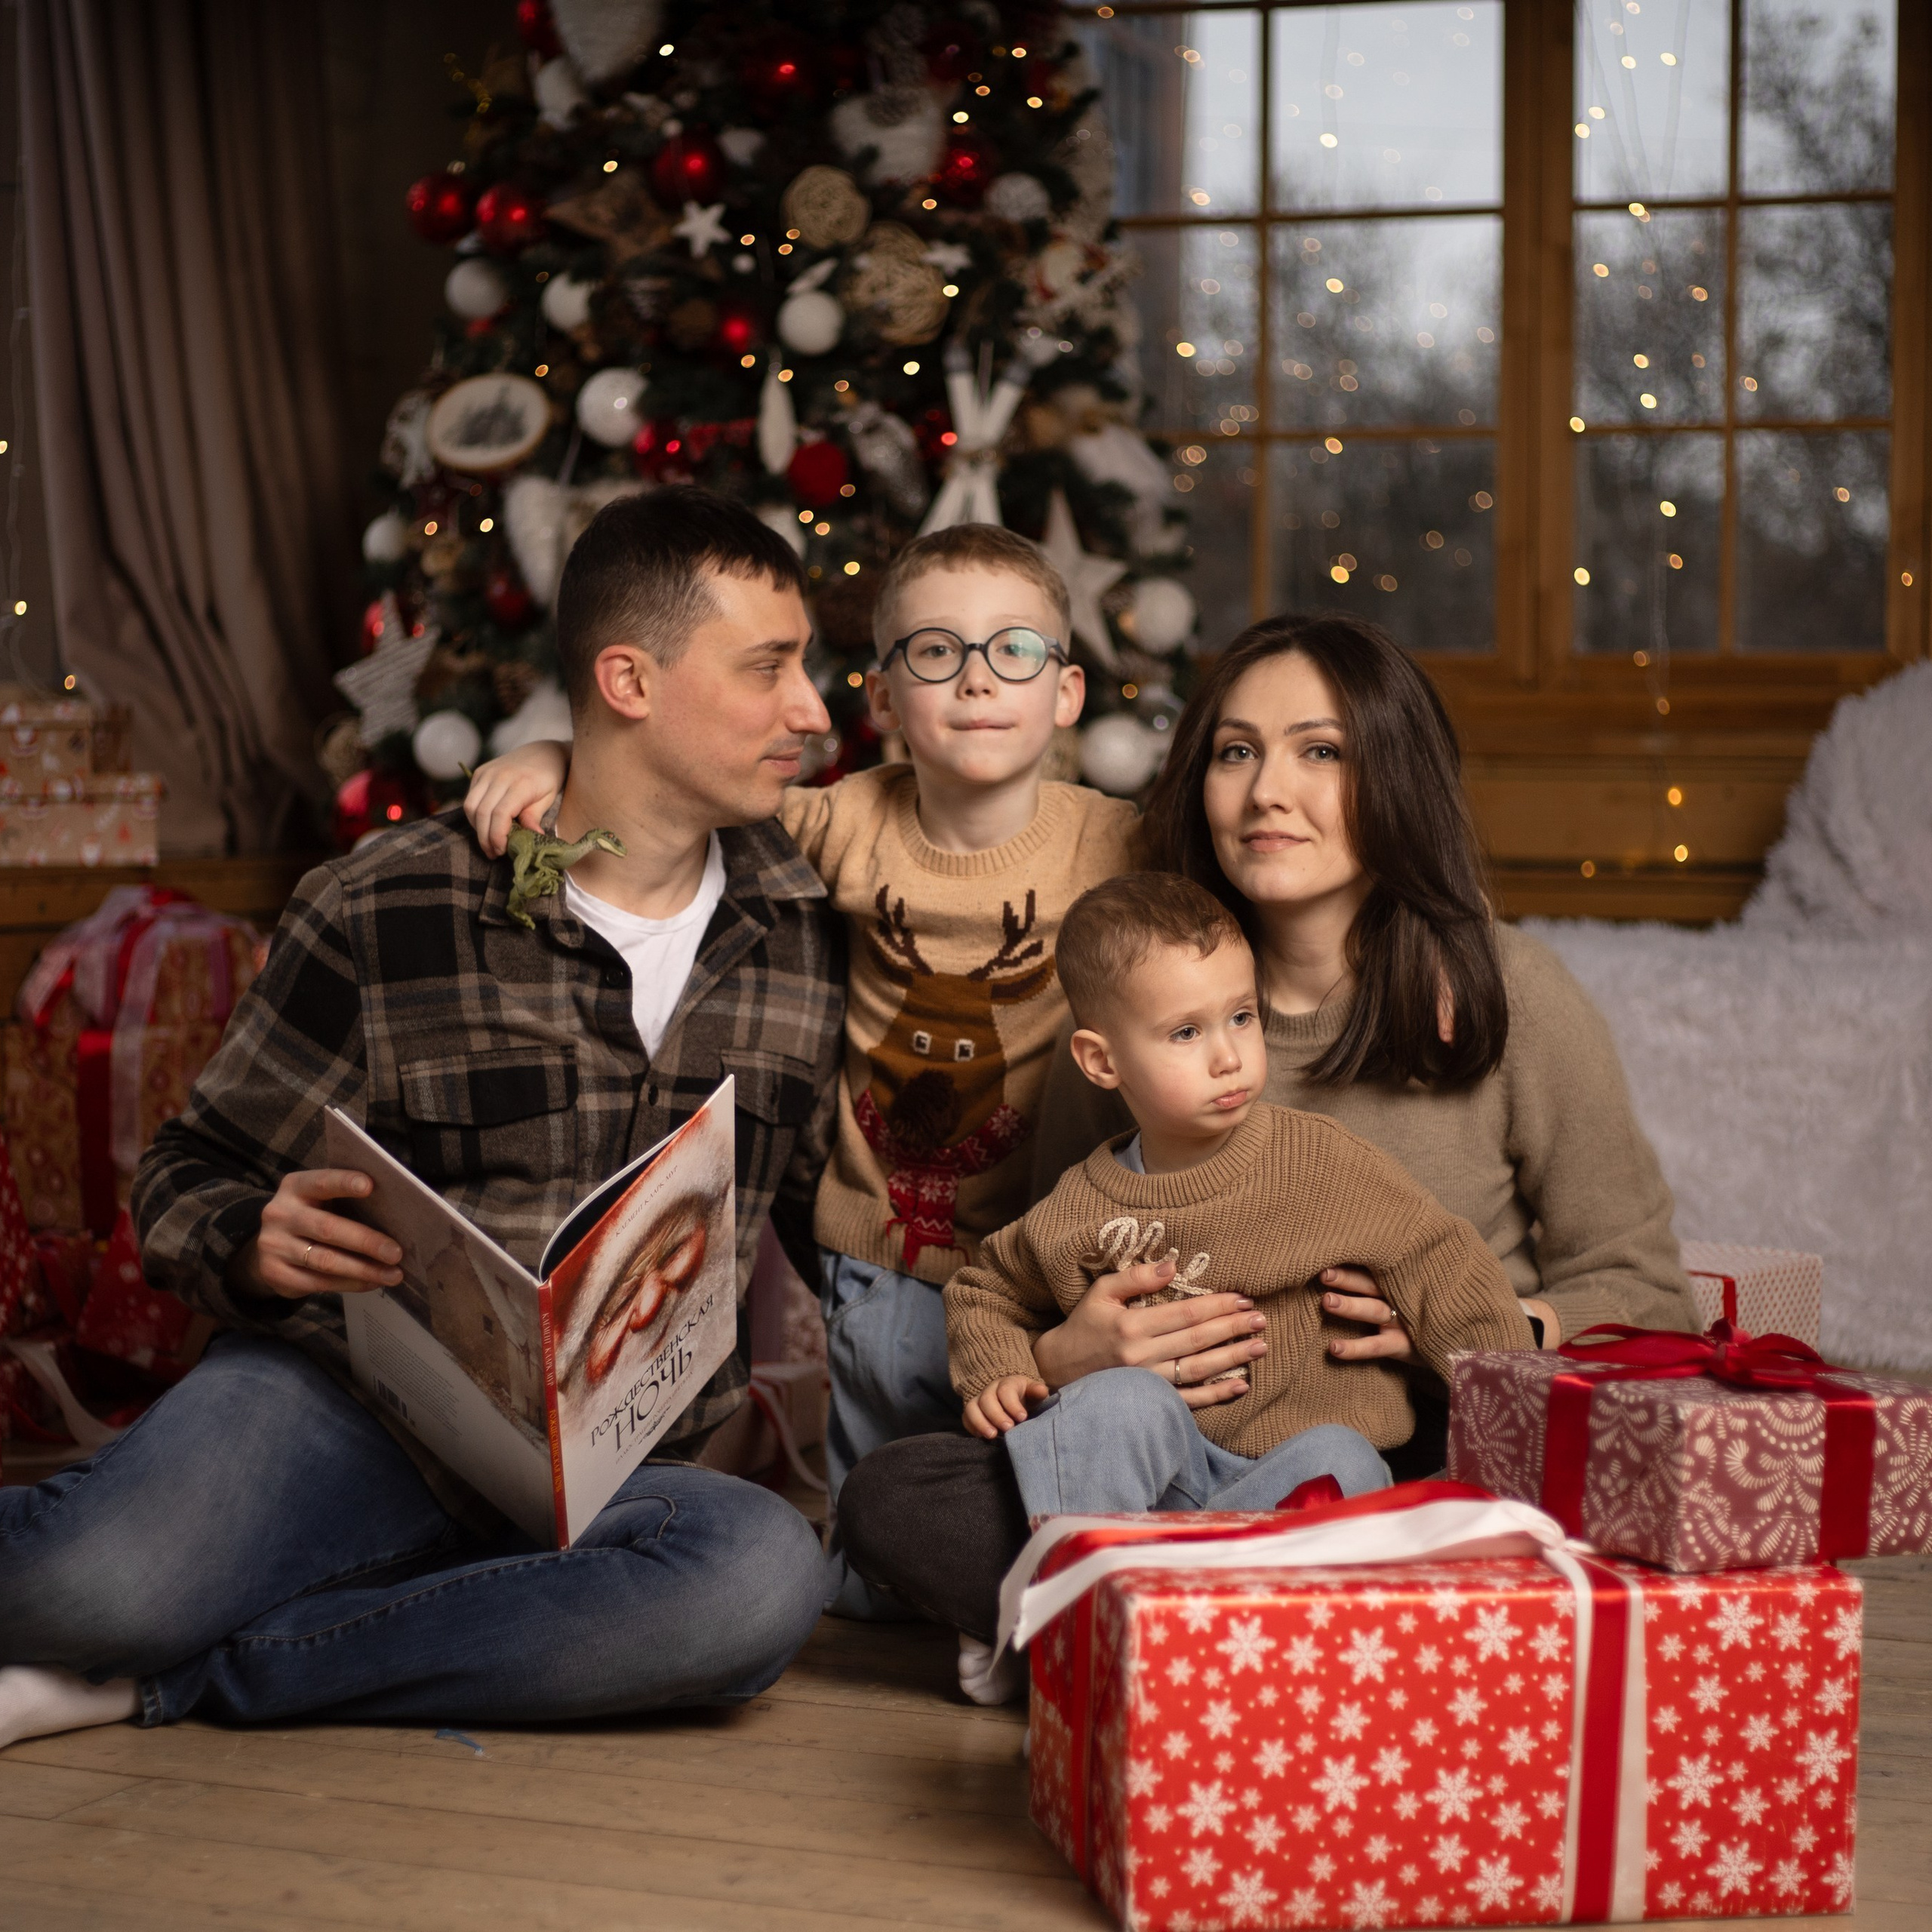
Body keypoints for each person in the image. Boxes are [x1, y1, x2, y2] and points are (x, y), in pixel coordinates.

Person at [0, 488, 844, 1752]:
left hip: (612, 1479)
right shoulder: (397, 901)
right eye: (770, 669)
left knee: (760, 1582)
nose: (814, 711)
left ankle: (175, 1679)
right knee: (82, 1585)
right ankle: (168, 1621)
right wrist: (247, 1236)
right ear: (629, 678)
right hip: (348, 1411)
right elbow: (188, 1169)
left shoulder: (809, 925)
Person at [838, 611, 1700, 1659]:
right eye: (1235, 752)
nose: (1265, 793)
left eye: (1322, 753)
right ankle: (1210, 1632)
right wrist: (1068, 1357)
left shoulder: (1505, 992)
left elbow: (1649, 1296)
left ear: (1395, 778)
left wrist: (1490, 1334)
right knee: (892, 1494)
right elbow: (1043, 1250)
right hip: (1149, 1458)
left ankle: (1113, 1629)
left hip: (1390, 1463)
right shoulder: (1124, 1018)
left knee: (1399, 1492)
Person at [464, 524, 1140, 1633]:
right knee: (887, 1512)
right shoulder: (834, 824)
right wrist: (556, 758)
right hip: (890, 1250)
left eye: (1015, 651)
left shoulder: (1123, 841)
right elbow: (658, 794)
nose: (977, 678)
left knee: (1048, 1468)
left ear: (1067, 694)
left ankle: (1051, 1619)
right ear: (881, 697)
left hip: (1058, 1241)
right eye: (936, 653)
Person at [945, 870, 1528, 1523]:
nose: (1229, 1056)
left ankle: (1250, 1601)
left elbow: (1446, 1264)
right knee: (1119, 1405)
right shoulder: (1077, 1207)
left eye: (1242, 1017)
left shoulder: (1322, 1162)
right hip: (1149, 1492)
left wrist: (1515, 1427)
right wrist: (1000, 1372)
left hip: (1287, 1486)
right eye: (1186, 1033)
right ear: (1102, 1062)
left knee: (1345, 1456)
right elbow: (985, 1291)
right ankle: (1093, 1584)